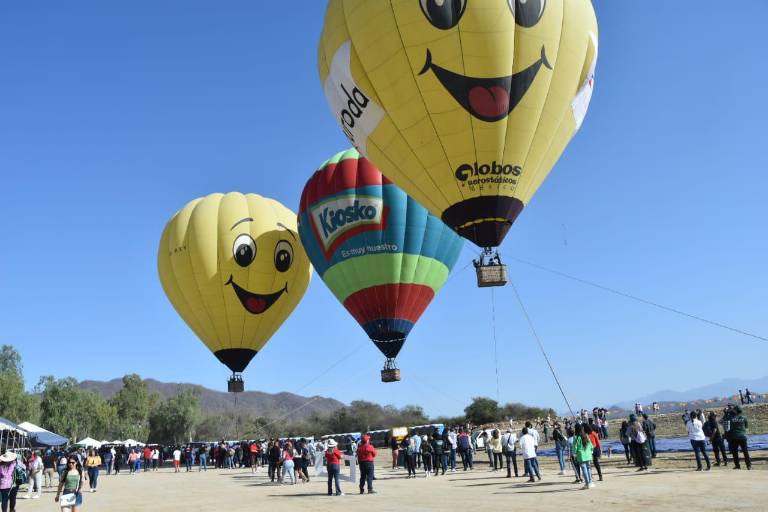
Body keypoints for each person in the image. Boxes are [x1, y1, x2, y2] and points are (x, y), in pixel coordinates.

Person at [728, 405, 751, 470]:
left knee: (735, 452)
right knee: (745, 451)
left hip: (734, 437)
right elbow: (746, 427)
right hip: (743, 436)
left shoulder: (731, 418)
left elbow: (727, 426)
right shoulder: (744, 418)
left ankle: (737, 465)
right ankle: (748, 465)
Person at [573, 424, 595, 490]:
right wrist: (591, 451)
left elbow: (575, 447)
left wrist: (574, 454)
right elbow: (591, 445)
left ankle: (587, 483)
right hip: (588, 455)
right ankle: (590, 482)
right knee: (588, 468)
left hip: (581, 455)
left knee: (584, 469)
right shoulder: (586, 435)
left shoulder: (576, 437)